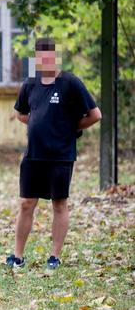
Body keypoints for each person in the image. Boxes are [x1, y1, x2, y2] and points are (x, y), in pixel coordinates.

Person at [7, 38, 101, 270]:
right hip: (33, 155)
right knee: (26, 203)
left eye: (49, 56)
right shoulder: (30, 84)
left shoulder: (70, 83)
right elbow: (21, 114)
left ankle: (54, 257)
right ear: (36, 58)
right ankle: (18, 256)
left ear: (56, 57)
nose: (44, 60)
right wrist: (38, 124)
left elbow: (95, 114)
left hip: (60, 155)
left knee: (59, 203)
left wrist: (70, 128)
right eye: (40, 56)